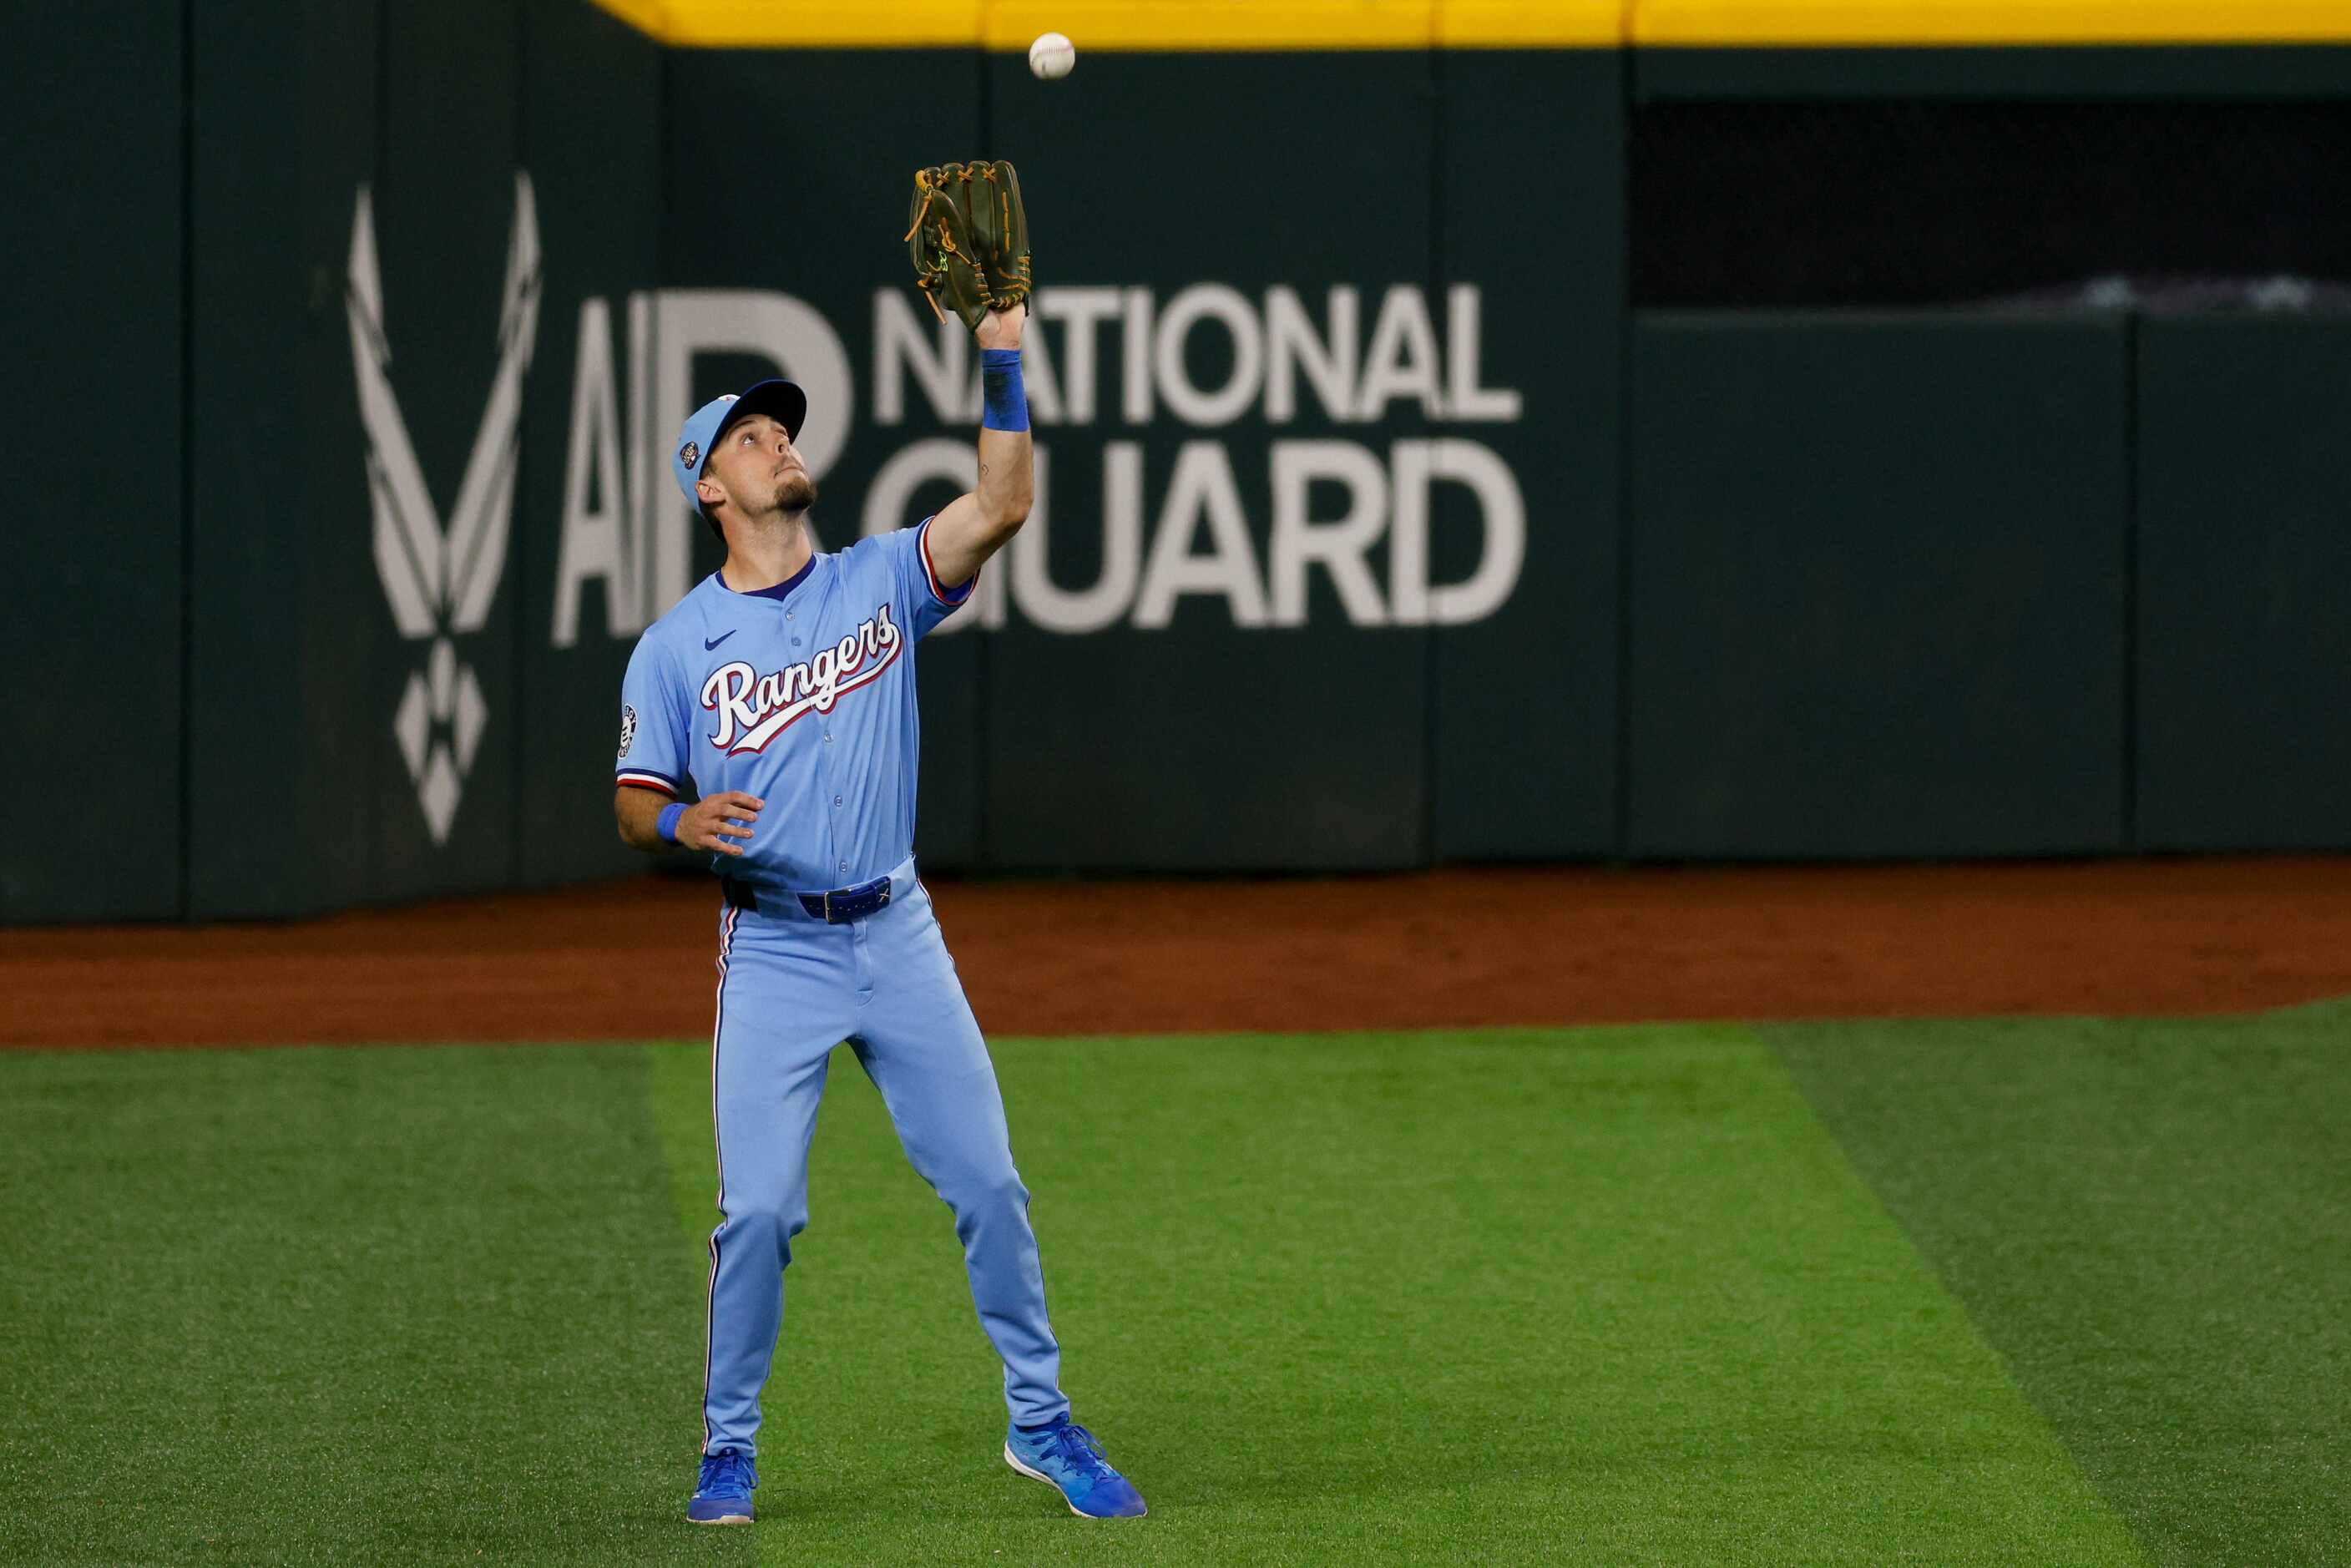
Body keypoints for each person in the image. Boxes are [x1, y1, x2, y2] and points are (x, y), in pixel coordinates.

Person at [609, 297, 1145, 1525]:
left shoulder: (879, 582)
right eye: (751, 439)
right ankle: (727, 1448)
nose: (780, 446)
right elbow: (636, 804)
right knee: (757, 1212)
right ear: (710, 488)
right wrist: (682, 824)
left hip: (898, 933)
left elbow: (1002, 503)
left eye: (781, 432)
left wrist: (1001, 352)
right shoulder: (677, 648)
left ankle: (1042, 1420)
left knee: (990, 1183)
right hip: (777, 948)